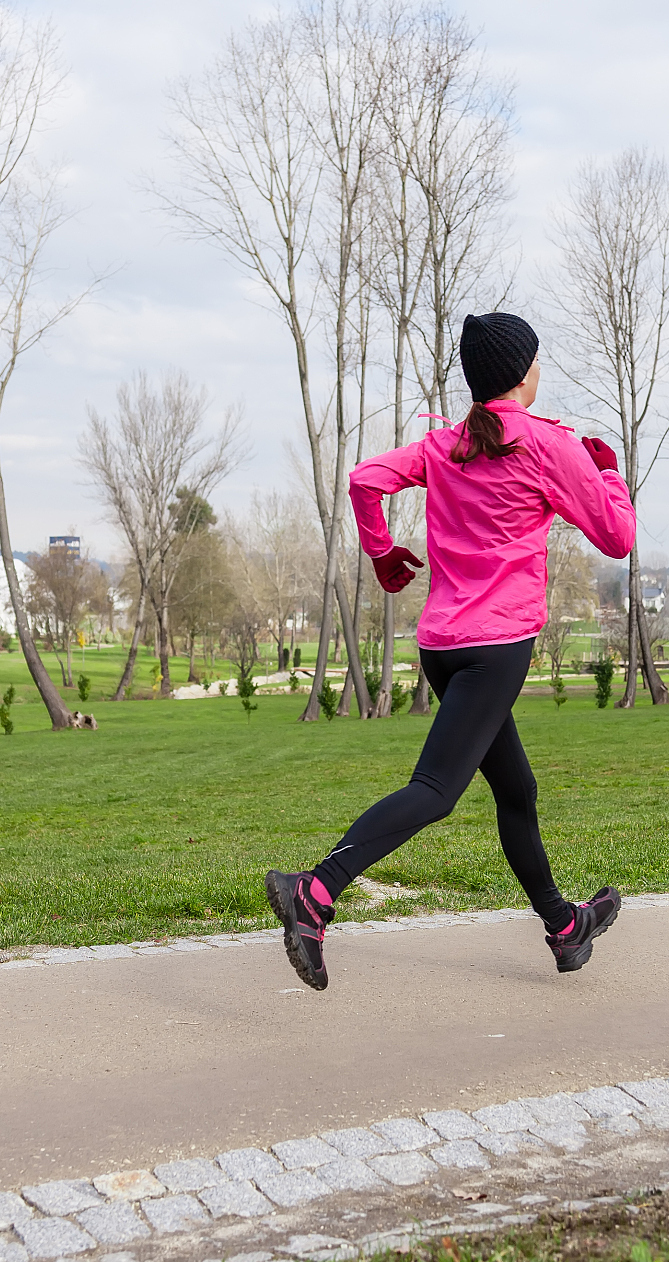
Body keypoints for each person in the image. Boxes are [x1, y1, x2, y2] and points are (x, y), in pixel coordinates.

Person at [266, 311, 638, 991]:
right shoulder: (547, 445)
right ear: (525, 371)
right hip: (496, 648)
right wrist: (607, 471)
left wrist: (383, 554)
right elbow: (617, 537)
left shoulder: (449, 444)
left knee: (517, 790)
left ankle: (564, 927)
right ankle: (313, 894)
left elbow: (363, 479)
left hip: (443, 646)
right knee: (436, 791)